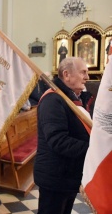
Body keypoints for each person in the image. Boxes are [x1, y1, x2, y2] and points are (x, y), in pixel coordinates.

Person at [34, 57, 90, 214]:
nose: (87, 77)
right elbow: (58, 141)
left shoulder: (71, 98)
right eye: (83, 72)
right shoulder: (53, 100)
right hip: (55, 176)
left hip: (68, 174)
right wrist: (93, 149)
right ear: (66, 74)